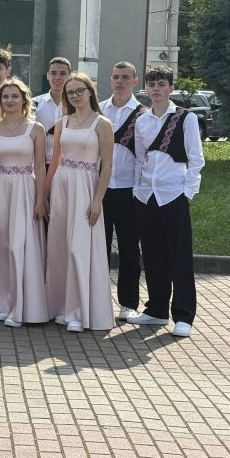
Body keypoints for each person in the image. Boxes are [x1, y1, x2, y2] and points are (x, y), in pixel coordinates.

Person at [129, 66, 205, 338]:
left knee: (180, 256)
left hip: (174, 193)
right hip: (146, 195)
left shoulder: (185, 118)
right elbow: (140, 159)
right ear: (146, 88)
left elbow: (196, 158)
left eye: (161, 84)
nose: (156, 89)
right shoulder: (142, 121)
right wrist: (138, 189)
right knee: (152, 254)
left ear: (171, 88)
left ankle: (183, 316)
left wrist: (188, 192)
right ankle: (157, 310)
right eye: (152, 85)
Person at [45, 73, 115, 332]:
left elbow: (107, 166)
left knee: (79, 247)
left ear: (89, 91)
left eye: (79, 90)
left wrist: (97, 200)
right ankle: (61, 307)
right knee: (60, 246)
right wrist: (43, 194)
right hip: (62, 185)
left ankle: (78, 311)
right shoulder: (62, 122)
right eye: (70, 92)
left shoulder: (102, 123)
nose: (75, 96)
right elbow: (55, 161)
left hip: (86, 186)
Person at [0, 78, 48, 327]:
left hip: (24, 189)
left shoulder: (36, 129)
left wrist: (40, 199)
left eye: (14, 96)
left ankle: (20, 307)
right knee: (1, 244)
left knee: (19, 245)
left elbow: (40, 167)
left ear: (24, 100)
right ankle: (2, 302)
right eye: (5, 96)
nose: (10, 100)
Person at [99, 61, 146, 320]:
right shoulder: (98, 110)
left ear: (135, 81)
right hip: (101, 189)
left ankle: (128, 303)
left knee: (129, 248)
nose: (120, 81)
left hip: (129, 189)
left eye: (125, 77)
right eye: (116, 77)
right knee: (99, 247)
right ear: (110, 79)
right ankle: (98, 302)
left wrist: (140, 189)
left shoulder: (143, 114)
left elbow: (144, 156)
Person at [33, 57, 72, 169]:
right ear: (47, 75)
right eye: (53, 73)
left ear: (69, 76)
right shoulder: (34, 104)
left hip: (67, 165)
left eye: (62, 73)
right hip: (39, 164)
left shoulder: (76, 106)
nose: (57, 77)